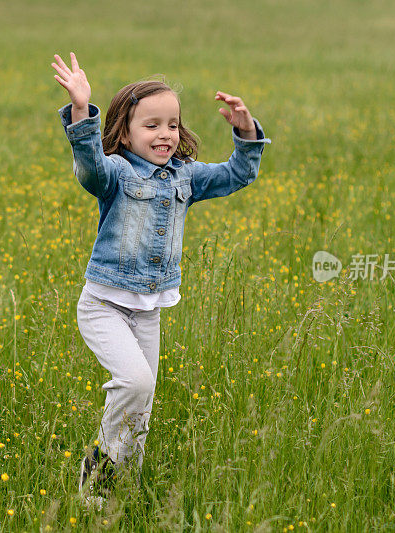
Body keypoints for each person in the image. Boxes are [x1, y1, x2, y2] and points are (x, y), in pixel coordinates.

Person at [51, 52, 271, 506]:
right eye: (151, 125)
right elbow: (89, 165)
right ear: (125, 131)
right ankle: (98, 476)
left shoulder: (184, 177)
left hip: (148, 309)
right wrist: (79, 110)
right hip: (105, 304)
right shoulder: (116, 173)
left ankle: (124, 489)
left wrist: (246, 131)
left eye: (172, 124)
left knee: (142, 408)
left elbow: (238, 174)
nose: (165, 134)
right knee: (135, 384)